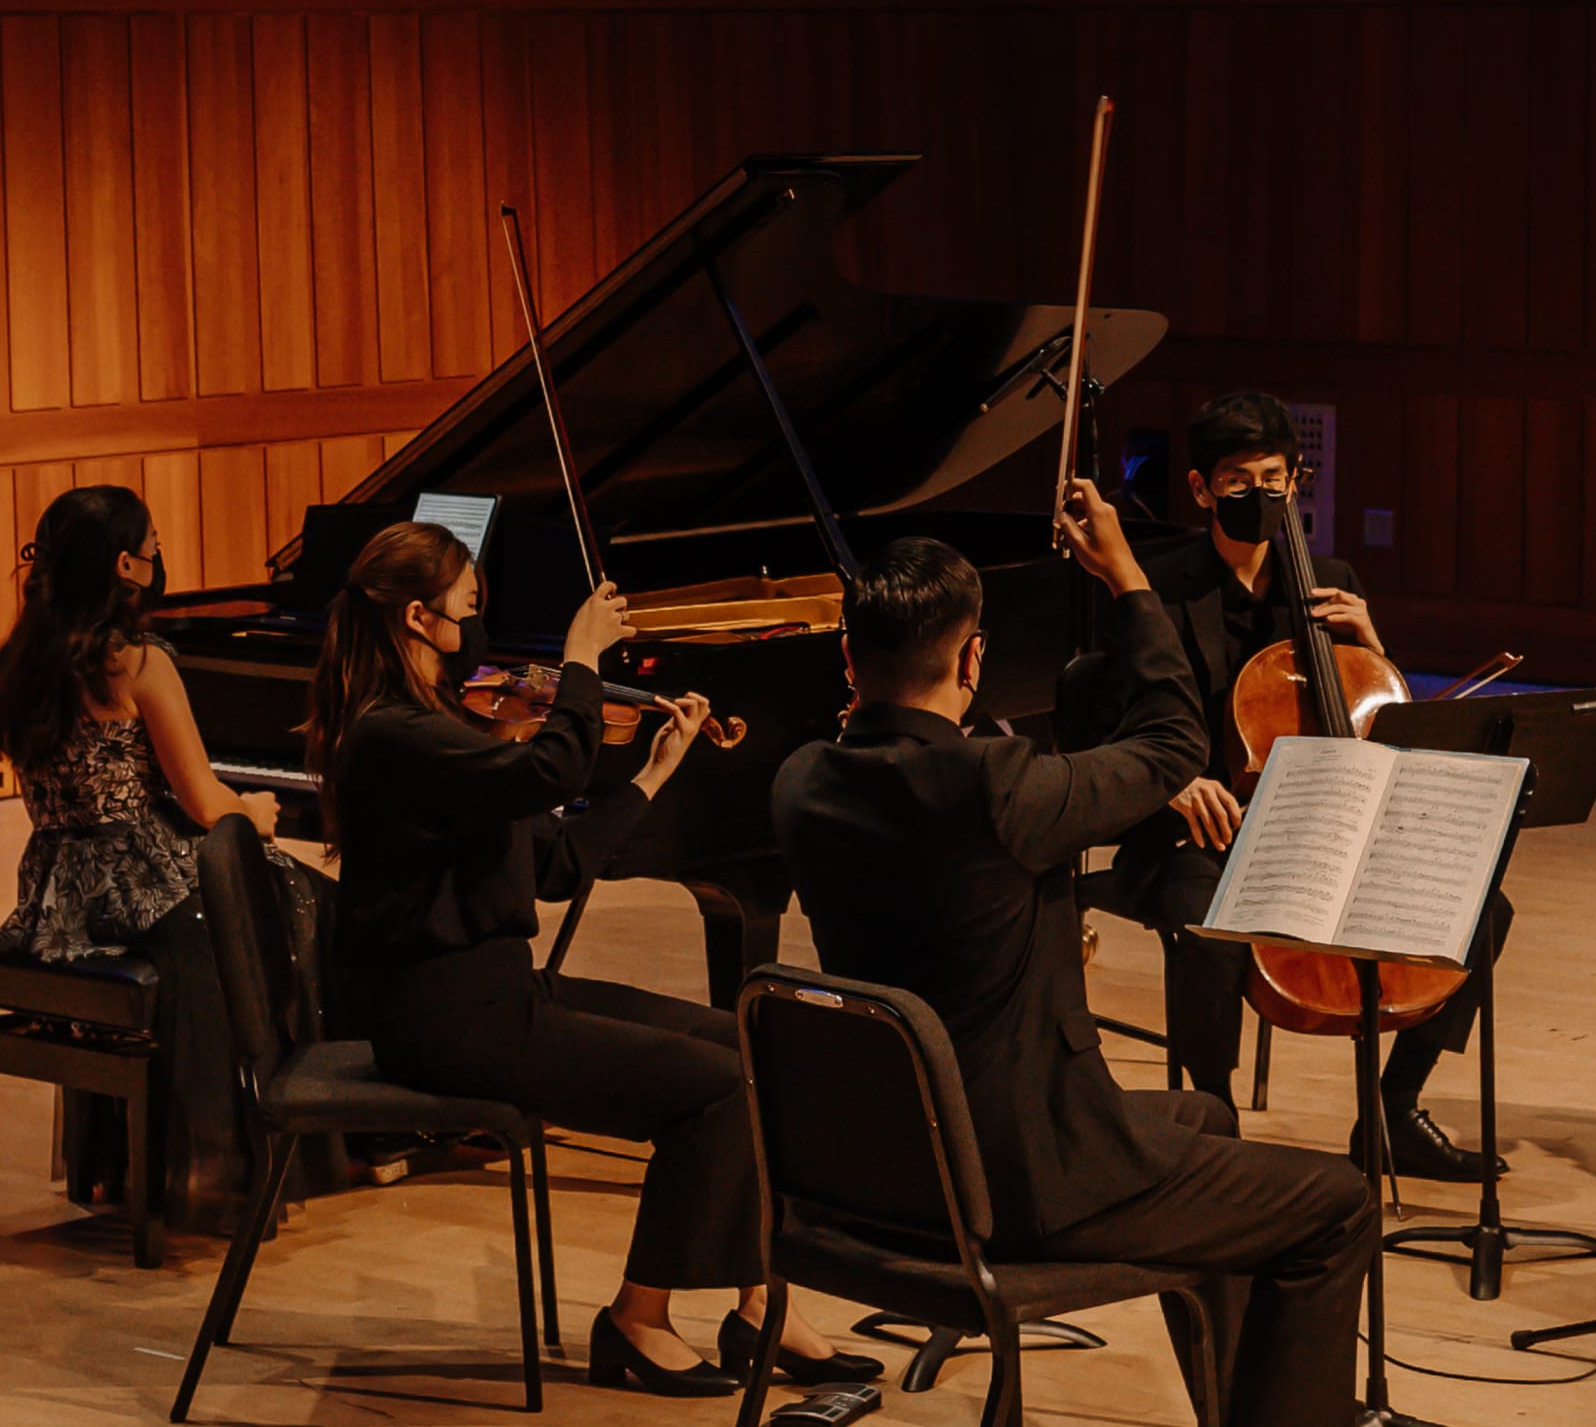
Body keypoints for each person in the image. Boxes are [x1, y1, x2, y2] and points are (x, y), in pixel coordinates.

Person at [770, 494, 1376, 1427]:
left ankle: (1234, 1409)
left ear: (849, 659)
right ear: (974, 660)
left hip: (872, 1172)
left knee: (1206, 1115)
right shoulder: (998, 787)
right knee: (1336, 1203)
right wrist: (1128, 575)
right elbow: (1175, 745)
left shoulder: (801, 779)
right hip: (1019, 1181)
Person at [302, 521, 875, 1397]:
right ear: (418, 617)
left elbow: (560, 867)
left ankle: (764, 1303)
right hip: (444, 1019)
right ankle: (636, 1321)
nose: (477, 609)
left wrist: (652, 773)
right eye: (466, 595)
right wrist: (577, 658)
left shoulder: (452, 724)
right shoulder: (394, 735)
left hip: (500, 995)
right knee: (714, 1091)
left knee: (745, 1046)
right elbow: (551, 776)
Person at [1066, 390, 1506, 1181]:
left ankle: (1394, 1111)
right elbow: (1104, 726)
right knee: (1207, 922)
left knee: (1479, 910)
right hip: (1200, 830)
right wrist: (1174, 784)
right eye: (1238, 480)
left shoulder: (1328, 580)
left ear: (1296, 481)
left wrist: (1375, 646)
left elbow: (1374, 719)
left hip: (1320, 827)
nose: (1260, 495)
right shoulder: (1152, 588)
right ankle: (1211, 1118)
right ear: (1201, 489)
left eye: (1275, 477)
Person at [0, 484, 311, 1235]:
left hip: (56, 893)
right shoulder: (136, 663)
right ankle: (285, 1152)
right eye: (152, 546)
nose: (159, 558)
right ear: (127, 565)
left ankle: (117, 1162)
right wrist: (264, 818)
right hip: (141, 880)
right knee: (300, 902)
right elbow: (207, 803)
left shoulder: (22, 659)